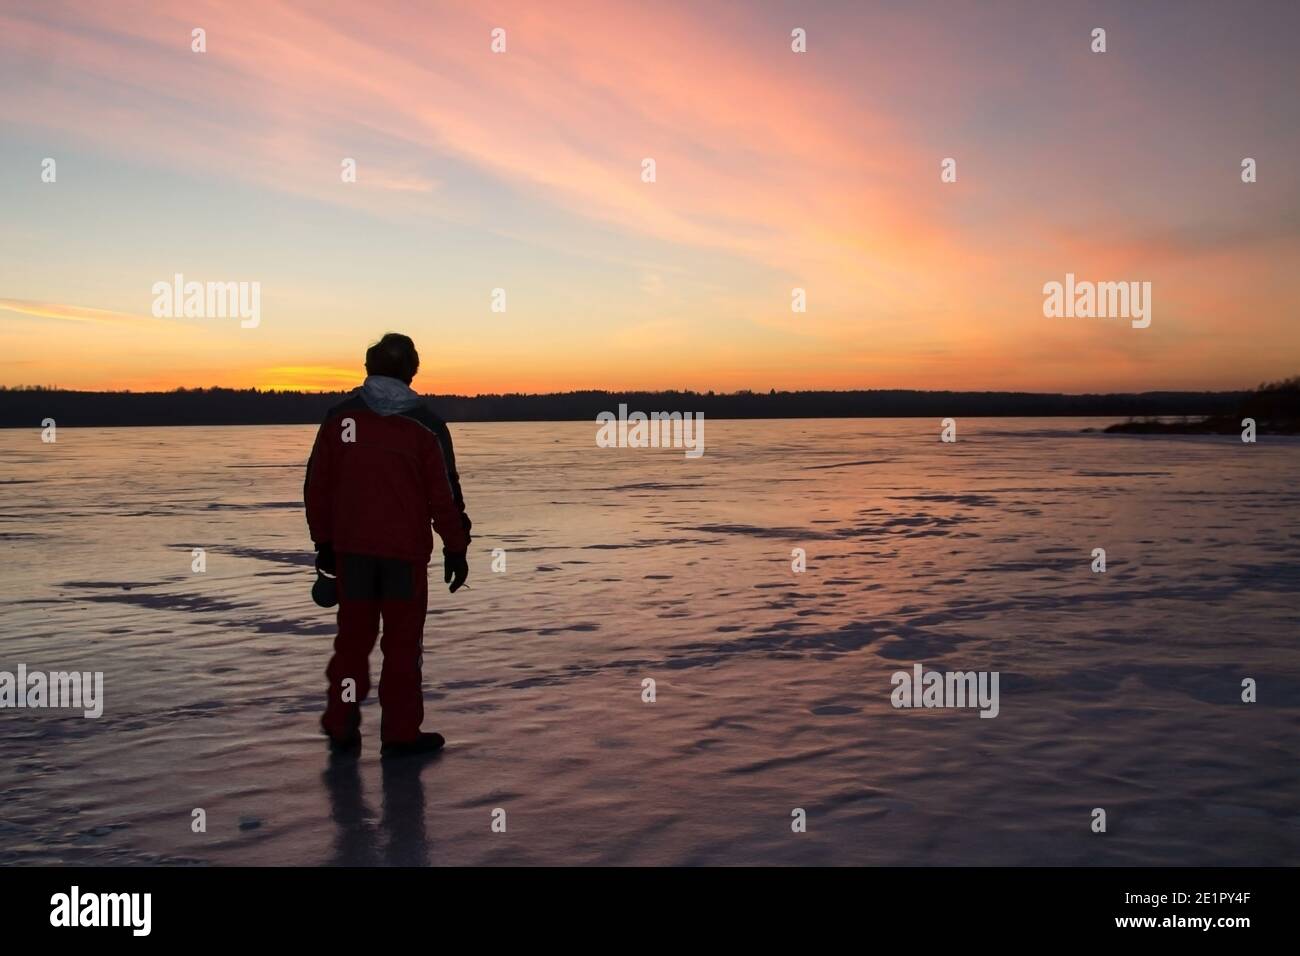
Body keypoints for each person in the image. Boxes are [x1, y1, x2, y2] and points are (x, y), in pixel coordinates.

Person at [304, 332, 471, 758]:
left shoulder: (342, 419)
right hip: (404, 558)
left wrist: (324, 544)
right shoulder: (425, 424)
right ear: (411, 371)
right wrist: (456, 547)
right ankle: (399, 736)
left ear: (368, 367)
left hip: (353, 554)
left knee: (352, 645)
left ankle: (341, 725)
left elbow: (316, 487)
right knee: (401, 647)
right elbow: (445, 495)